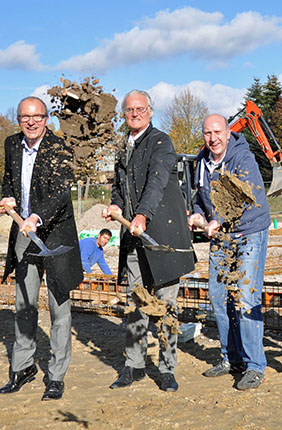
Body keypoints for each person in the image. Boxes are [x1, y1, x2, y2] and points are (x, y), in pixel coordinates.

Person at [103, 90, 195, 392]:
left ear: (151, 111)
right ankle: (134, 364)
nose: (134, 113)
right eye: (129, 109)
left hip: (161, 236)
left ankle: (168, 369)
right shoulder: (122, 146)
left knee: (166, 303)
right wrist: (117, 205)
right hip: (132, 236)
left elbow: (156, 182)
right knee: (135, 302)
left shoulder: (161, 142)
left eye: (140, 109)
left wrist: (142, 215)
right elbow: (120, 186)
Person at [0, 96, 83, 400]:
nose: (31, 122)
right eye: (25, 117)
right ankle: (23, 367)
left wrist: (35, 217)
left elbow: (61, 193)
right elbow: (9, 180)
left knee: (59, 310)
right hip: (24, 233)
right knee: (24, 304)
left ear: (47, 119)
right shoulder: (11, 144)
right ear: (19, 120)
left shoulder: (60, 149)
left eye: (37, 116)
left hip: (56, 236)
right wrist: (8, 198)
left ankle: (56, 375)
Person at [188, 114, 270, 390]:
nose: (213, 138)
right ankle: (231, 357)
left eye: (218, 132)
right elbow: (199, 197)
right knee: (218, 295)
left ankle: (255, 365)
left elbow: (243, 198)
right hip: (221, 237)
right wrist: (198, 215)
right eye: (208, 133)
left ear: (227, 133)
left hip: (249, 232)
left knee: (247, 298)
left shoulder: (242, 159)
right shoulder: (201, 162)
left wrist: (217, 219)